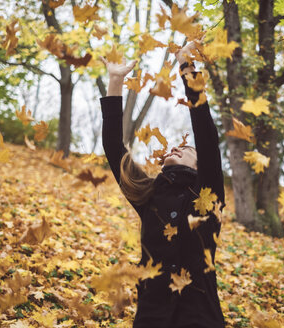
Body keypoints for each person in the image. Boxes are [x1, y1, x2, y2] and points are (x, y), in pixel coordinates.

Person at [100, 42, 225, 328]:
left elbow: (206, 134)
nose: (179, 147)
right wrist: (116, 80)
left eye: (188, 148)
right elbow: (112, 147)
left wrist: (186, 67)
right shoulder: (149, 194)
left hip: (199, 317)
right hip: (152, 316)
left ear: (199, 166)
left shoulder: (208, 195)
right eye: (177, 147)